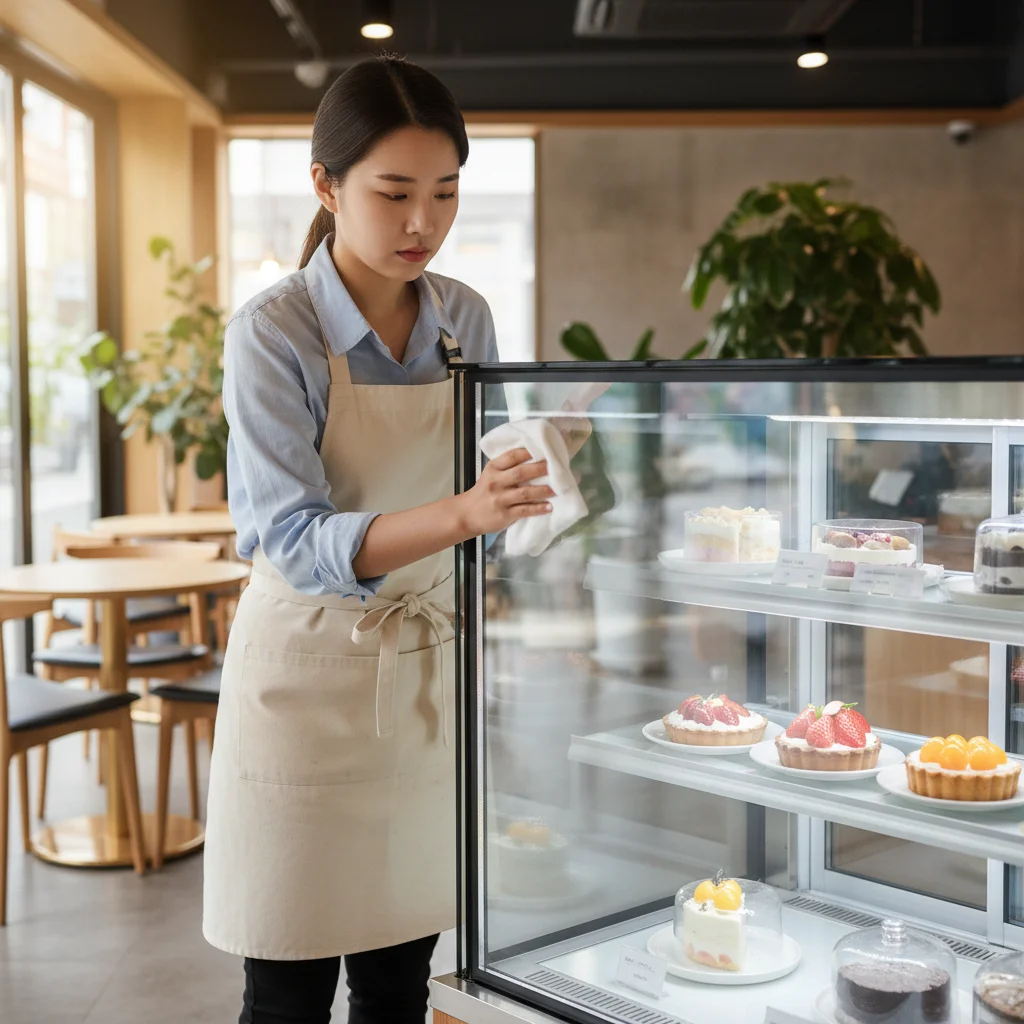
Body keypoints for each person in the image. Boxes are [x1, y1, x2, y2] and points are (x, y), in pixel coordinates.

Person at [203, 55, 553, 1024]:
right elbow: (292, 535)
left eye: (444, 193)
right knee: (285, 993)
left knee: (400, 987)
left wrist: (547, 484)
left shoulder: (464, 318)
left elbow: (497, 498)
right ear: (326, 185)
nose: (421, 223)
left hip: (423, 689)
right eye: (394, 193)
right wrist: (466, 512)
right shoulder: (273, 331)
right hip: (304, 685)